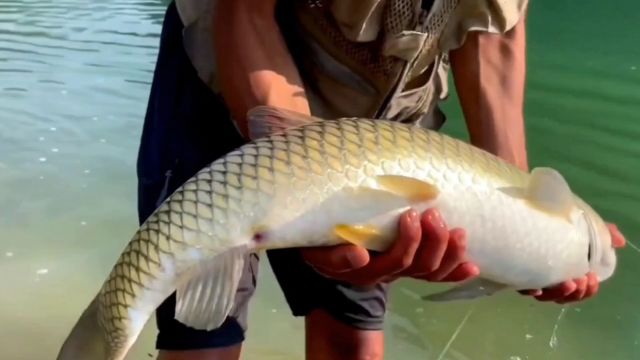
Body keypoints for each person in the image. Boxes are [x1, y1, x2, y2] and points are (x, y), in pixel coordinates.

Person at [136, 1, 627, 359]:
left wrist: (519, 236)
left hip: (381, 116)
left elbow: (494, 33)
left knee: (355, 345)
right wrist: (304, 192)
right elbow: (245, 13)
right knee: (202, 345)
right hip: (227, 63)